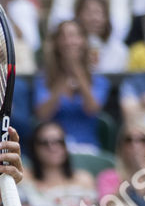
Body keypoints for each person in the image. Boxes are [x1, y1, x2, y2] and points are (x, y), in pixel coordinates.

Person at [33, 19, 108, 150]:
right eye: (63, 37)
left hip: (87, 146)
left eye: (74, 36)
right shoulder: (44, 79)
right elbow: (42, 114)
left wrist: (77, 71)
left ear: (83, 41)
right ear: (57, 43)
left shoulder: (99, 80)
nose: (69, 42)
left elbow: (93, 109)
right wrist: (62, 79)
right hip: (53, 147)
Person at [18, 128, 97, 206]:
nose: (52, 147)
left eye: (59, 142)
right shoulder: (23, 177)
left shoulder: (84, 179)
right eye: (44, 143)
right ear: (34, 147)